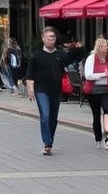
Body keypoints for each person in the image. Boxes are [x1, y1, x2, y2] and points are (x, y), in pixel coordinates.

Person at [26, 27, 85, 156]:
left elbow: (70, 58)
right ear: (43, 39)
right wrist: (30, 90)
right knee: (45, 115)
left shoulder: (59, 54)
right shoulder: (37, 55)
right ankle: (47, 142)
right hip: (41, 90)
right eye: (48, 37)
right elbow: (30, 75)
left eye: (53, 37)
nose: (51, 40)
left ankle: (50, 140)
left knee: (53, 118)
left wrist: (79, 49)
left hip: (55, 90)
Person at [82, 36, 108, 150]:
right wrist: (103, 74)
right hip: (94, 91)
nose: (104, 49)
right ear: (97, 47)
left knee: (107, 111)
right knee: (96, 115)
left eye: (106, 46)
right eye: (101, 46)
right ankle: (98, 138)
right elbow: (88, 75)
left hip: (107, 90)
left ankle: (107, 137)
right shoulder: (91, 58)